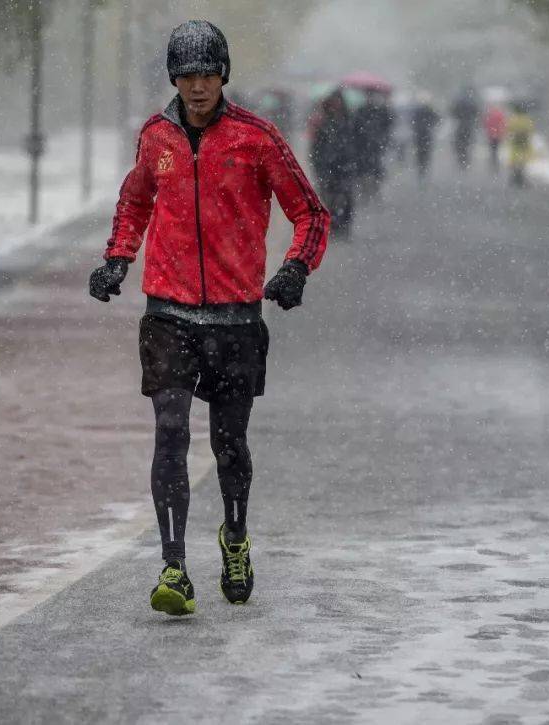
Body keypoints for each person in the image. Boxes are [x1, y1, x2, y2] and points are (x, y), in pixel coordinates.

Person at [88, 20, 330, 616]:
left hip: (235, 319)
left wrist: (296, 268)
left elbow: (311, 213)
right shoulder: (156, 137)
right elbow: (135, 199)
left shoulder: (257, 139)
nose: (197, 87)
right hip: (168, 313)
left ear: (224, 75)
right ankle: (173, 567)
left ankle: (235, 537)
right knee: (170, 432)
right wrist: (118, 258)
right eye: (187, 75)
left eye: (207, 73)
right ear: (174, 77)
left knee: (230, 444)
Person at [310, 90, 357, 235]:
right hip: (326, 165)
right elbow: (315, 146)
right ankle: (334, 222)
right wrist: (318, 164)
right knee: (328, 196)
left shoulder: (349, 120)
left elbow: (356, 142)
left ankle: (344, 222)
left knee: (346, 195)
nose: (336, 106)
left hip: (345, 165)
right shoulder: (322, 122)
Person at [352, 89, 394, 200]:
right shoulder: (362, 111)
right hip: (365, 145)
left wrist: (382, 138)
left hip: (374, 145)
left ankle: (374, 189)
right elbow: (355, 128)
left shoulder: (381, 110)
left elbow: (388, 125)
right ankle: (368, 189)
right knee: (366, 168)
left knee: (374, 167)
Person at [410, 92, 441, 181]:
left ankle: (421, 170)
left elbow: (412, 120)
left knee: (420, 153)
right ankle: (423, 169)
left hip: (419, 135)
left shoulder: (417, 109)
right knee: (426, 154)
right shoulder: (429, 109)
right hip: (426, 135)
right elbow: (437, 119)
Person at [506, 101, 535, 187]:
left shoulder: (513, 119)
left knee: (515, 160)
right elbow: (530, 130)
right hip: (524, 143)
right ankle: (520, 176)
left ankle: (515, 177)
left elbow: (509, 129)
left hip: (515, 142)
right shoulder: (527, 120)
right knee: (522, 160)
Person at [450, 86, 480, 170]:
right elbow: (477, 113)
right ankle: (465, 159)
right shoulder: (472, 101)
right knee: (467, 143)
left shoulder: (458, 101)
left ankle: (461, 158)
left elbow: (453, 112)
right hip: (469, 125)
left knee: (459, 143)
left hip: (460, 125)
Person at [484, 104, 506, 173]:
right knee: (496, 149)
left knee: (492, 150)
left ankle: (493, 162)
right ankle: (495, 163)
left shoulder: (490, 114)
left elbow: (486, 124)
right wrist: (502, 133)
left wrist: (488, 132)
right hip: (498, 135)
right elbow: (503, 124)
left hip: (491, 135)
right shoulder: (500, 114)